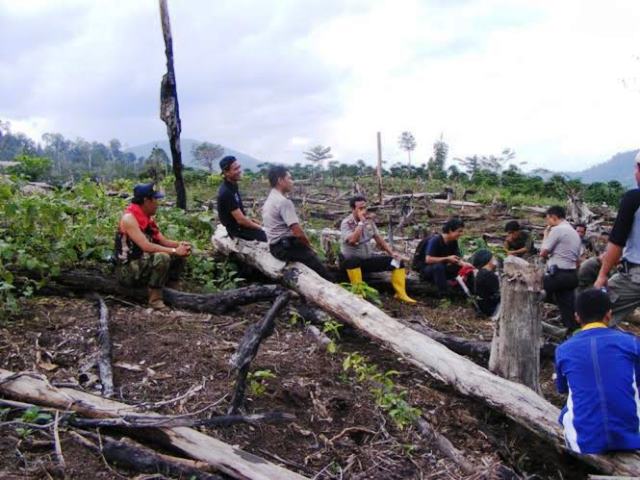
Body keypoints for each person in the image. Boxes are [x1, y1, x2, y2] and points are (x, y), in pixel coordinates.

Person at [554, 288, 640, 454]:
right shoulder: (631, 343)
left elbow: (562, 389)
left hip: (584, 443)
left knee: (568, 408)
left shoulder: (563, 350)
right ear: (609, 314)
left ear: (577, 316)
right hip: (632, 439)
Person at [114, 183, 191, 310]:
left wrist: (180, 245)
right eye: (155, 199)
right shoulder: (129, 218)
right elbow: (146, 246)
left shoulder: (147, 219)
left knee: (178, 256)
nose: (157, 203)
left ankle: (173, 291)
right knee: (162, 257)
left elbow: (163, 241)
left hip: (142, 264)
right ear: (146, 201)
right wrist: (174, 251)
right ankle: (155, 299)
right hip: (127, 269)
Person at [340, 195, 416, 304]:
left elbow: (378, 239)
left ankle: (400, 293)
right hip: (349, 264)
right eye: (360, 209)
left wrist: (392, 253)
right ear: (353, 209)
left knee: (397, 262)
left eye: (364, 208)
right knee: (353, 261)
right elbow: (352, 240)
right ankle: (359, 293)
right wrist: (361, 223)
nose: (364, 211)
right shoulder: (346, 223)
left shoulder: (369, 222)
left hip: (366, 260)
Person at [262, 166, 332, 280]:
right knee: (323, 273)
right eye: (289, 178)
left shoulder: (270, 199)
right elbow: (298, 232)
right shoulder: (284, 202)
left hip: (274, 247)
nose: (292, 182)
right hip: (286, 248)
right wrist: (309, 247)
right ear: (280, 180)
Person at [595, 151, 640, 325]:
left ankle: (585, 349)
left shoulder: (634, 198)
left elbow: (616, 243)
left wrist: (603, 274)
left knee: (595, 315)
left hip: (634, 278)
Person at [540, 205, 581, 332]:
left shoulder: (557, 230)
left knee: (531, 290)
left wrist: (545, 235)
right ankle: (572, 331)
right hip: (571, 274)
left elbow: (543, 252)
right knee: (567, 307)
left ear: (554, 217)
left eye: (548, 219)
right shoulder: (573, 232)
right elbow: (578, 259)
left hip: (558, 274)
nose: (548, 223)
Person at [216, 155, 266, 242]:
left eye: (239, 168)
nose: (239, 171)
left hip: (240, 226)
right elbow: (241, 220)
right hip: (237, 230)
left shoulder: (233, 185)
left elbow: (239, 213)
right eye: (235, 169)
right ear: (226, 172)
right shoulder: (226, 192)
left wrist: (252, 221)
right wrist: (261, 228)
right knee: (272, 238)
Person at [418, 218, 472, 294]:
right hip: (428, 270)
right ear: (450, 230)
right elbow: (428, 259)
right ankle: (444, 293)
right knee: (438, 267)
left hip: (443, 268)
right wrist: (447, 258)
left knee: (462, 268)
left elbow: (456, 258)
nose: (461, 234)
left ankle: (464, 289)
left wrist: (464, 264)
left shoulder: (453, 242)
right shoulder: (435, 240)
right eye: (459, 231)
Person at [470, 249, 500, 316]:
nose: (495, 259)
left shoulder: (480, 273)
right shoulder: (489, 275)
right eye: (493, 258)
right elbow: (498, 294)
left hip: (483, 306)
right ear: (489, 260)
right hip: (491, 309)